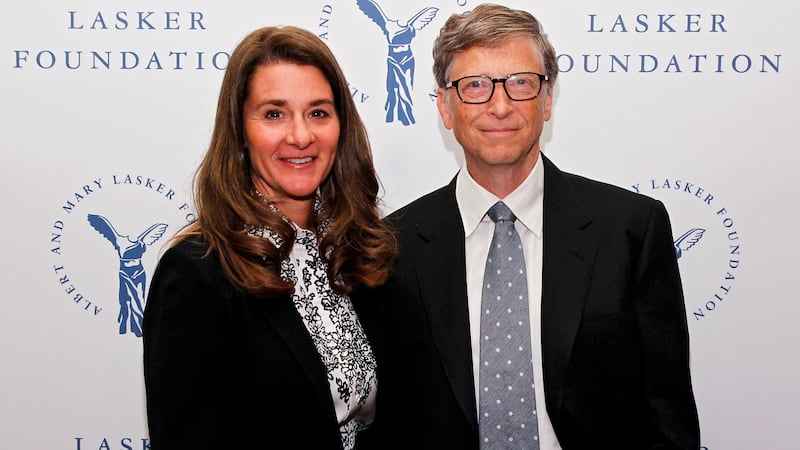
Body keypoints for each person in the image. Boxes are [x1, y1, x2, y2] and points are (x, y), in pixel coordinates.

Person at [371, 4, 700, 449]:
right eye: (475, 86)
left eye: (520, 83)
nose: (500, 106)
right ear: (445, 107)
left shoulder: (630, 230)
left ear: (547, 100)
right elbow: (390, 421)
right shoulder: (393, 246)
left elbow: (667, 413)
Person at [142, 26, 395, 450]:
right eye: (274, 114)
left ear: (340, 126)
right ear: (241, 130)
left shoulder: (358, 250)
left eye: (318, 112)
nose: (300, 136)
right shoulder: (196, 274)